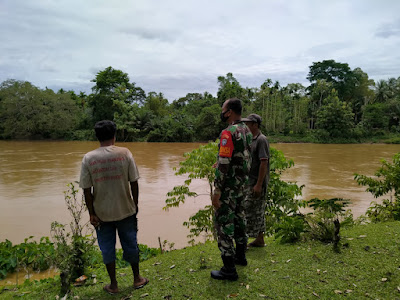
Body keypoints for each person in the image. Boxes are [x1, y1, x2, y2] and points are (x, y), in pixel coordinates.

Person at [79, 120, 148, 295]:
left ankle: (114, 285)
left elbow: (87, 190)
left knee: (107, 248)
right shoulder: (125, 153)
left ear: (97, 137)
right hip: (125, 209)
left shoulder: (89, 158)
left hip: (101, 213)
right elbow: (134, 182)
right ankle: (137, 278)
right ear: (114, 135)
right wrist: (135, 204)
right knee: (130, 243)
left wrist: (92, 213)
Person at [211, 98, 252, 281]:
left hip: (228, 188)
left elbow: (225, 163)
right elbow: (241, 158)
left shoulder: (228, 133)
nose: (222, 112)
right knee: (239, 219)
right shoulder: (247, 131)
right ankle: (241, 257)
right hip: (242, 186)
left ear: (229, 112)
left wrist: (217, 190)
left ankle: (229, 269)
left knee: (224, 225)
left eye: (223, 109)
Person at [242, 114, 270, 247]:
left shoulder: (261, 140)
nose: (245, 126)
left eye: (248, 123)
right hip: (249, 181)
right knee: (257, 210)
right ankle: (260, 239)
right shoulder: (250, 139)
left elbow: (263, 163)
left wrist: (259, 185)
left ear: (255, 125)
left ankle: (243, 242)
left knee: (246, 210)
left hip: (256, 182)